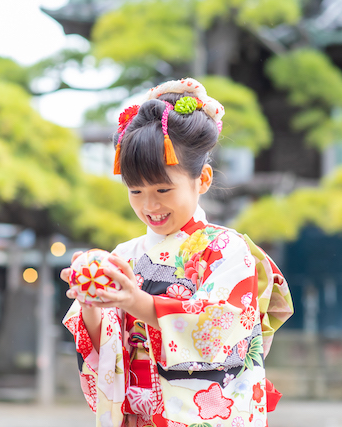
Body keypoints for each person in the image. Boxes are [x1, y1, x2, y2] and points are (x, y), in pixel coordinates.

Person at [61, 78, 294, 427]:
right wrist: (93, 305)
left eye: (163, 188)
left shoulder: (226, 250)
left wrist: (133, 301)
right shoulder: (124, 254)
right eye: (135, 191)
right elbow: (103, 346)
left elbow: (218, 328)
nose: (150, 205)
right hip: (138, 417)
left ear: (203, 180)